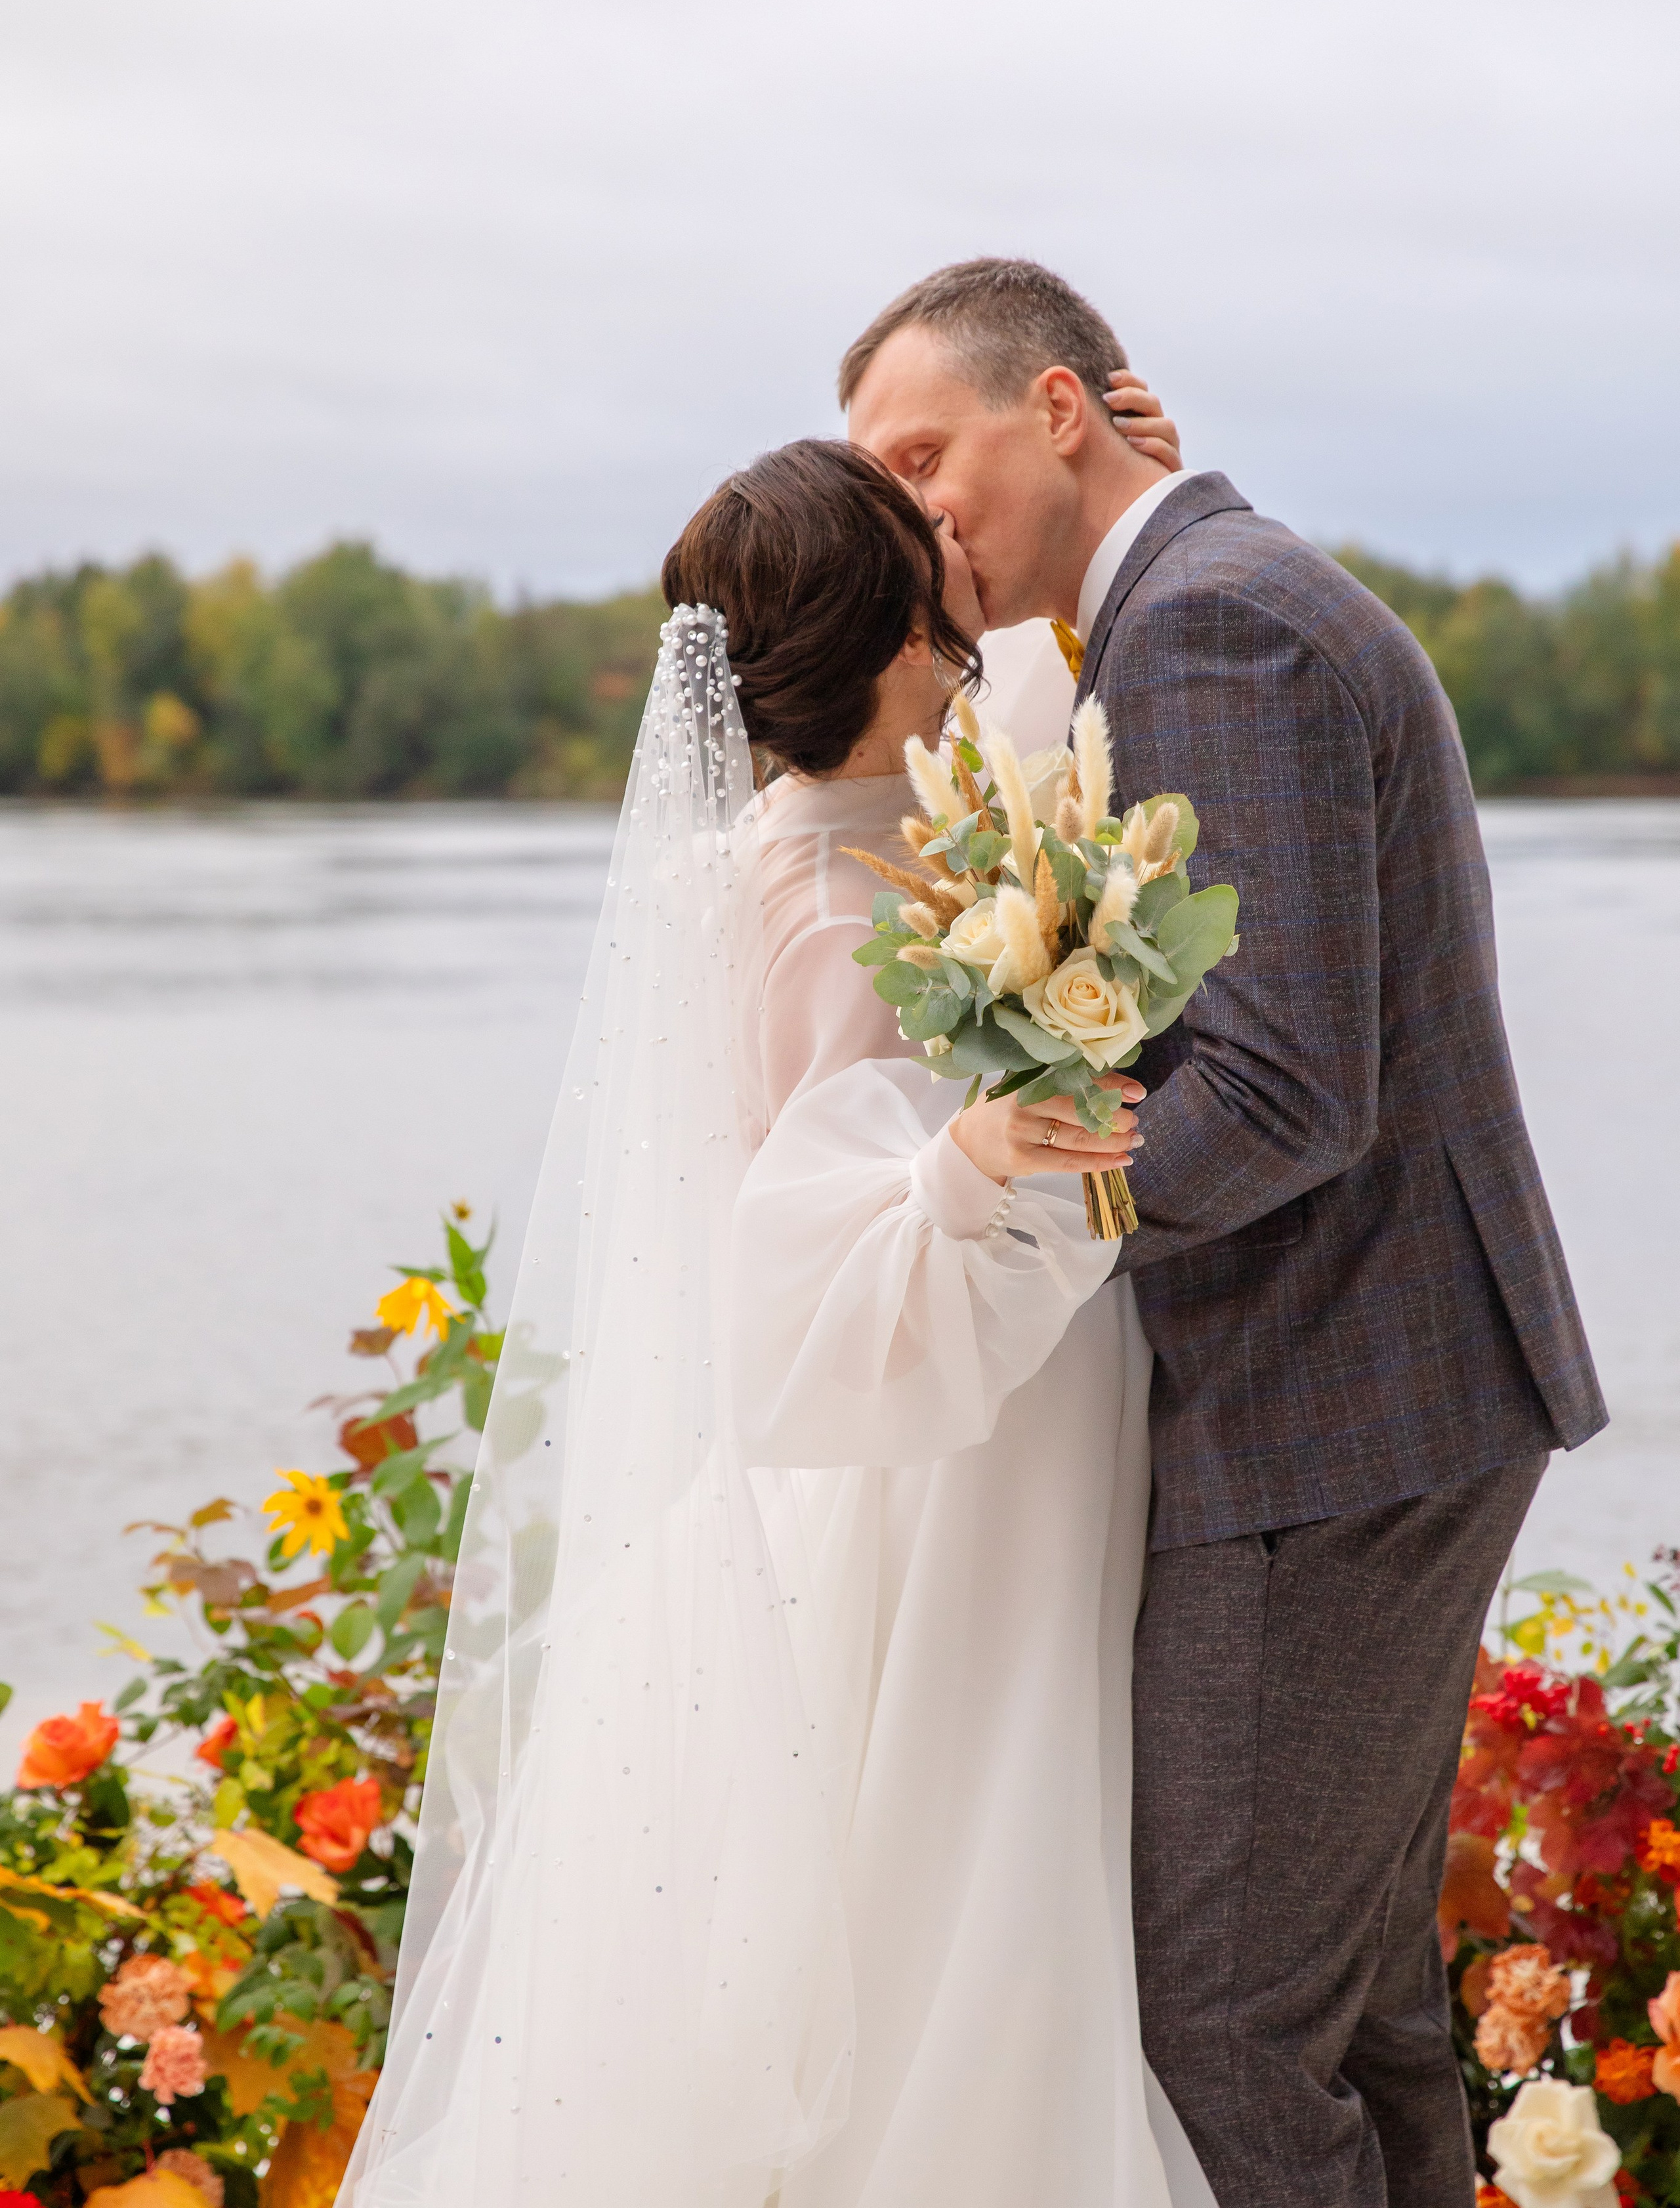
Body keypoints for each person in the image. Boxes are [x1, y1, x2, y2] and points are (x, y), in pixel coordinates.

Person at [339, 434, 1219, 2208]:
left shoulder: (834, 827)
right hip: (944, 1460)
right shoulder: (828, 900)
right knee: (962, 1912)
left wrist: (1135, 482)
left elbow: (1048, 699)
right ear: (887, 617)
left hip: (949, 1426)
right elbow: (800, 1287)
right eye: (925, 542)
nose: (962, 557)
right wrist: (977, 1156)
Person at [841, 257, 1608, 2208]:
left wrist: (1012, 1228)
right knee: (1350, 2015)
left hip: (1328, 1412)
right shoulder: (1205, 603)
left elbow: (1279, 1092)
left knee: (1221, 2021)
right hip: (1392, 1393)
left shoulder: (1212, 634)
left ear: (1070, 412)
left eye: (929, 452)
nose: (911, 508)